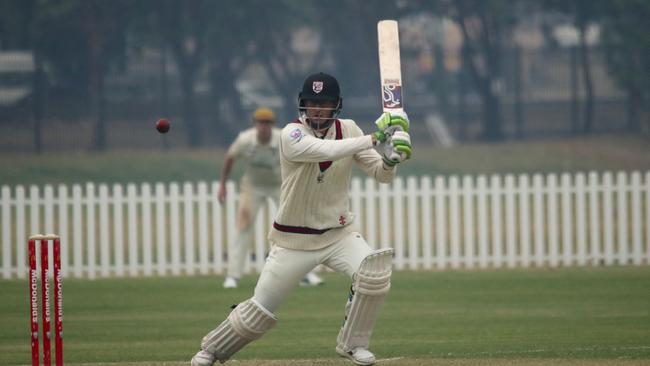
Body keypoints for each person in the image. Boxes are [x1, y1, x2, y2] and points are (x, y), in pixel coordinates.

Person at [192, 72, 412, 366]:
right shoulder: (291, 135)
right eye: (312, 103)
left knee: (374, 273)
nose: (317, 109)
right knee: (259, 311)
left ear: (336, 104)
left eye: (324, 103)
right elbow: (323, 150)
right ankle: (211, 350)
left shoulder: (349, 130)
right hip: (293, 240)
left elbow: (380, 176)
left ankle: (354, 344)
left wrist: (389, 159)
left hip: (338, 234)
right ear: (302, 105)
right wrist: (373, 138)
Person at [219, 107, 324, 289]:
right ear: (255, 124)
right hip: (253, 186)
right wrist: (222, 185)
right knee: (243, 226)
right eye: (260, 123)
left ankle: (306, 275)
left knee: (295, 227)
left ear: (272, 125)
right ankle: (233, 276)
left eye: (267, 123)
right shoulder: (245, 140)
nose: (264, 127)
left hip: (280, 185)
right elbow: (230, 157)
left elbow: (303, 156)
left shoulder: (282, 138)